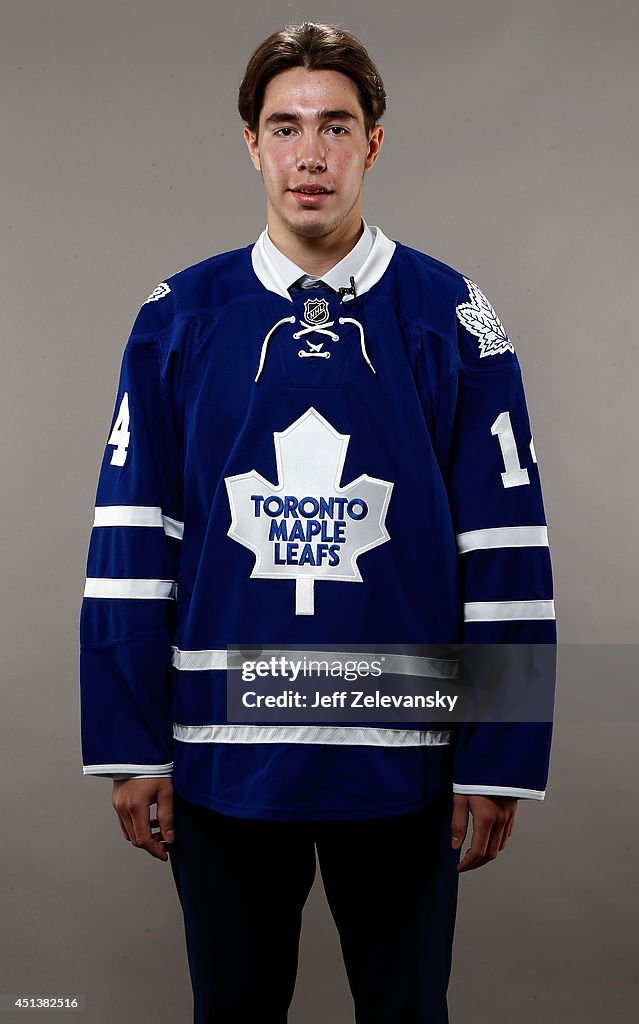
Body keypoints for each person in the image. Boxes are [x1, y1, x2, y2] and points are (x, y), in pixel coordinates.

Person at [79, 22, 556, 1024]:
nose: (310, 155)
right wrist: (133, 746)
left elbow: (507, 545)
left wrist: (497, 752)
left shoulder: (452, 316)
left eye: (335, 127)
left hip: (405, 770)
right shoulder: (179, 317)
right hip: (224, 764)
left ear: (373, 143)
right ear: (249, 142)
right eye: (285, 127)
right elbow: (133, 537)